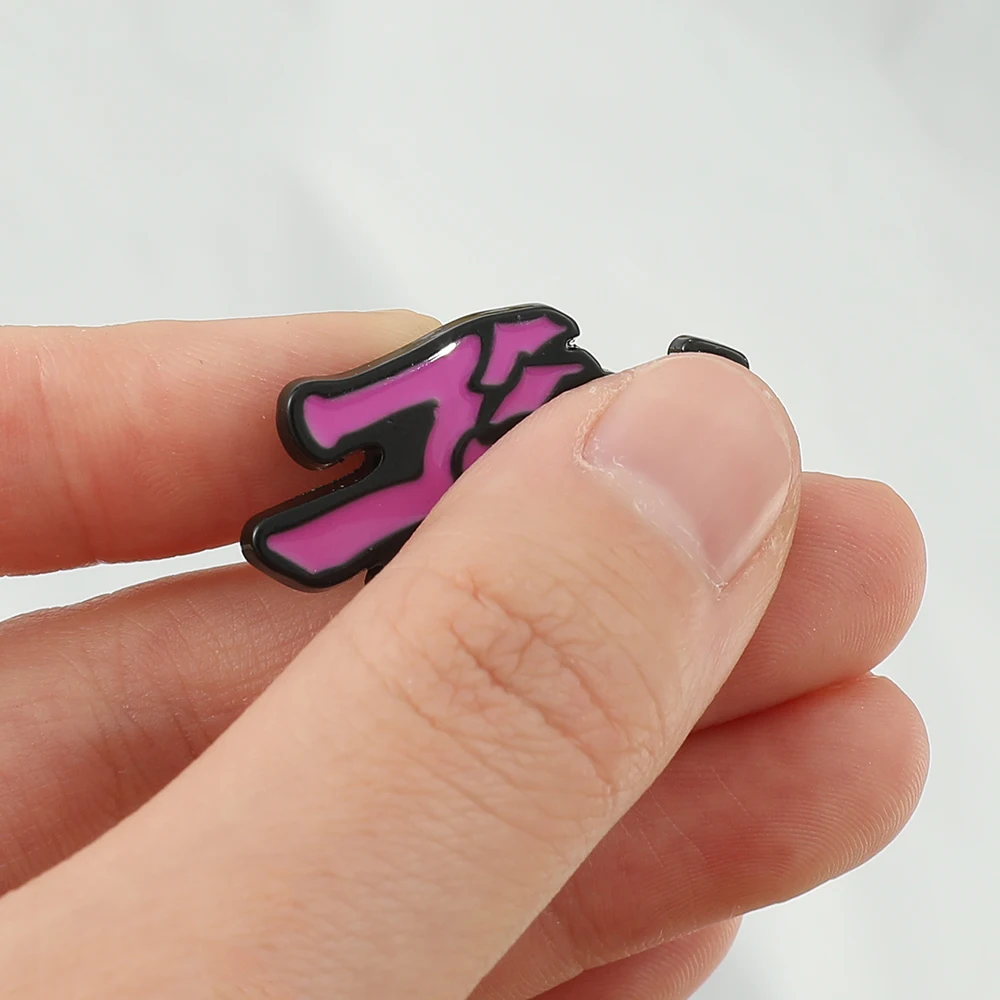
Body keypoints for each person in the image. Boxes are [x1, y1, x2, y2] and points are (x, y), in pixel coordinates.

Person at [0, 310, 928, 998]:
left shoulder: (534, 364)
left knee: (371, 505)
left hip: (462, 442)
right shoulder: (537, 365)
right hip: (467, 434)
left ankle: (342, 480)